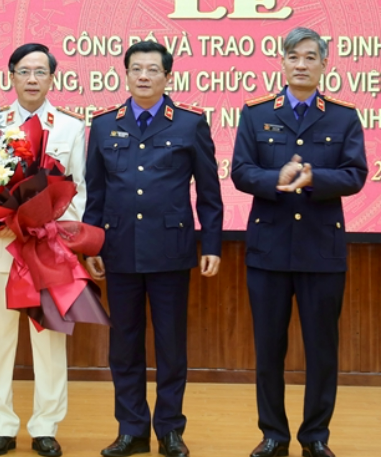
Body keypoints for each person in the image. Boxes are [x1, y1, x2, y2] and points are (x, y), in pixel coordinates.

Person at [231, 27, 368, 457]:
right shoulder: (256, 113)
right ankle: (273, 435)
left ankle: (315, 437)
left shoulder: (343, 116)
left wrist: (313, 179)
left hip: (321, 250)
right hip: (268, 250)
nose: (302, 65)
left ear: (325, 64)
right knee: (269, 350)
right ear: (283, 63)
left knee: (322, 351)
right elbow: (240, 171)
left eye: (310, 57)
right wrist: (277, 178)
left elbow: (355, 174)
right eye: (294, 57)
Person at [82, 40, 223, 457]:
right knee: (124, 345)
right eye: (136, 69)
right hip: (119, 249)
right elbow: (96, 192)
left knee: (170, 345)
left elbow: (209, 192)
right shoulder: (104, 125)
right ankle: (132, 430)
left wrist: (212, 243)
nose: (143, 76)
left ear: (167, 76)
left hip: (170, 250)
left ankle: (170, 430)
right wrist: (92, 243)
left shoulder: (190, 123)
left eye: (152, 70)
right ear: (126, 74)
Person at [0, 43, 87, 457]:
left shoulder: (71, 127)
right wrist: (3, 221)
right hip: (0, 247)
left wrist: (46, 225)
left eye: (40, 72)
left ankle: (45, 427)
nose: (32, 79)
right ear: (12, 77)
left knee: (50, 342)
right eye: (24, 71)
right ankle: (0, 426)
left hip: (48, 249)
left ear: (52, 78)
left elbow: (80, 191)